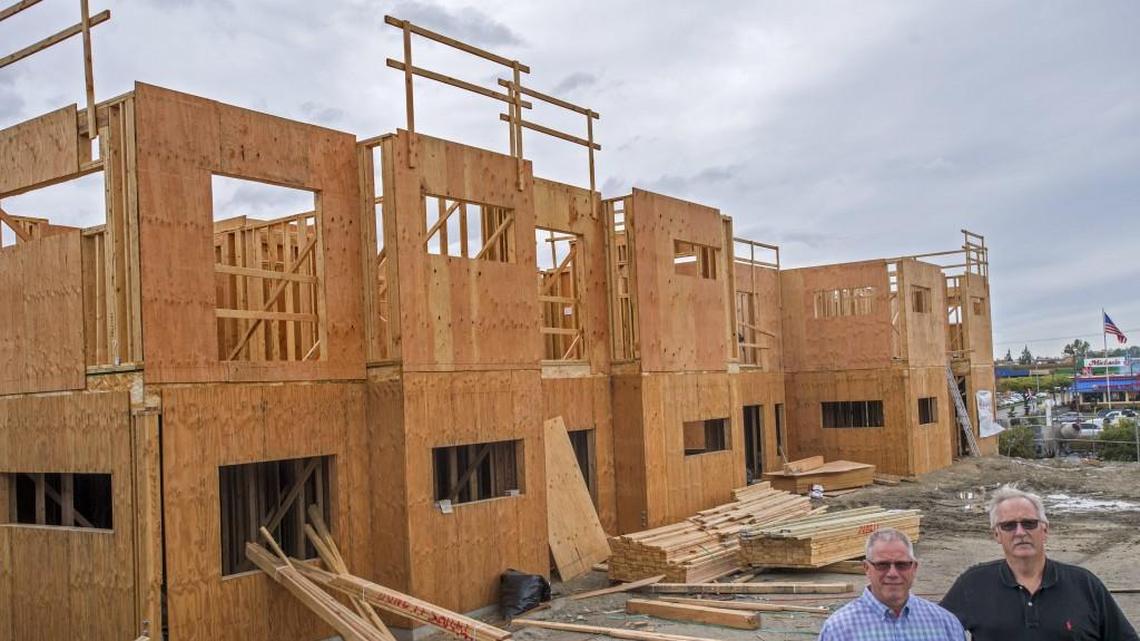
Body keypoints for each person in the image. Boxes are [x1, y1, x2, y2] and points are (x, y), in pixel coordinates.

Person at [941, 485, 1138, 640]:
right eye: (1009, 525)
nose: (1020, 532)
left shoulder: (1085, 584)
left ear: (1044, 530)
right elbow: (931, 630)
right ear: (996, 534)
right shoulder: (973, 584)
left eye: (1029, 523)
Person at [818, 528, 965, 640]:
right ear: (866, 569)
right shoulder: (839, 629)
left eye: (902, 565)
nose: (893, 573)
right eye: (882, 565)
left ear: (914, 568)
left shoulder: (945, 624)